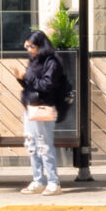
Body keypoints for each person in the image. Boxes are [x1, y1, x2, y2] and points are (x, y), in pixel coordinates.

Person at [19, 31, 73, 195]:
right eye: (27, 46)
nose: (29, 49)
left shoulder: (52, 61)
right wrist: (22, 78)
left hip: (44, 107)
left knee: (44, 145)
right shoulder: (35, 60)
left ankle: (53, 181)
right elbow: (32, 84)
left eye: (32, 46)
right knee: (31, 145)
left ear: (41, 46)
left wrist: (27, 75)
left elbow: (47, 85)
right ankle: (38, 180)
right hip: (31, 106)